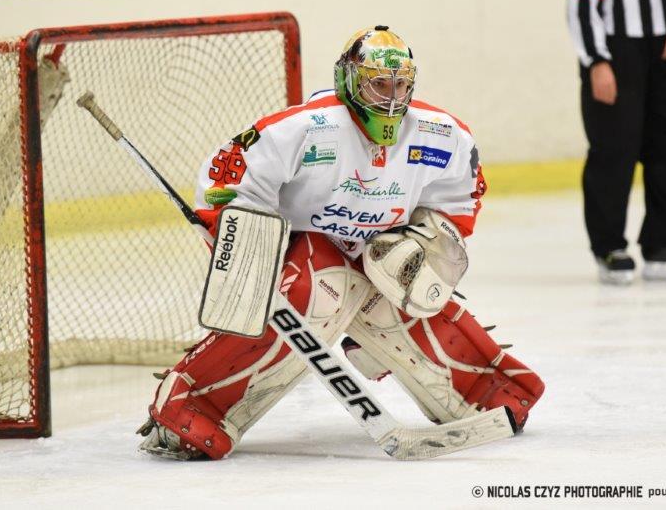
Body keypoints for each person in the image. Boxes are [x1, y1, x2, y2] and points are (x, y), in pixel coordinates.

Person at [137, 26, 545, 460]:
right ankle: (190, 409)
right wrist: (252, 259)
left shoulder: (441, 135)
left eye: (400, 86)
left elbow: (460, 200)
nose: (391, 99)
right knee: (317, 288)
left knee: (407, 276)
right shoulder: (303, 129)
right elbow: (225, 182)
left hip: (379, 254)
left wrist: (426, 244)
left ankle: (487, 390)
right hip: (304, 257)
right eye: (379, 84)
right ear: (349, 80)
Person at [567, 0, 666, 284]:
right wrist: (596, 60)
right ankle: (609, 248)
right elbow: (581, 1)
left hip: (665, 50)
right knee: (614, 149)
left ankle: (663, 242)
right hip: (615, 51)